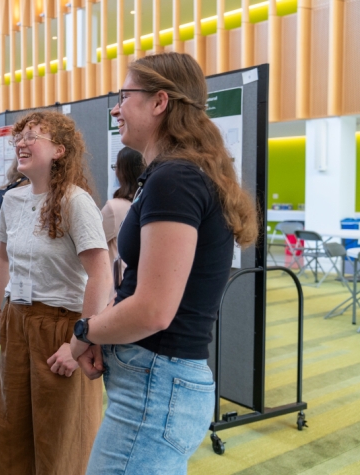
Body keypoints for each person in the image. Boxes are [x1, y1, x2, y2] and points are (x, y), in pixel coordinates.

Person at [72, 52, 258, 474]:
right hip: (157, 380)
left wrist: (84, 331)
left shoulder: (176, 178)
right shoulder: (173, 175)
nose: (116, 108)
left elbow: (154, 310)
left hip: (155, 384)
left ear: (159, 102)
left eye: (124, 96)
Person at [0, 110, 111, 474]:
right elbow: (2, 258)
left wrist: (80, 342)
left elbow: (101, 274)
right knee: (12, 433)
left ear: (59, 150)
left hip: (62, 326)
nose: (21, 143)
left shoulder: (75, 201)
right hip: (17, 320)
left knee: (61, 441)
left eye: (32, 136)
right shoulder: (13, 200)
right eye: (18, 138)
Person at [100, 147, 144, 294]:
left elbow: (91, 243)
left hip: (116, 290)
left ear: (122, 171)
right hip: (140, 286)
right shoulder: (149, 205)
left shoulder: (114, 208)